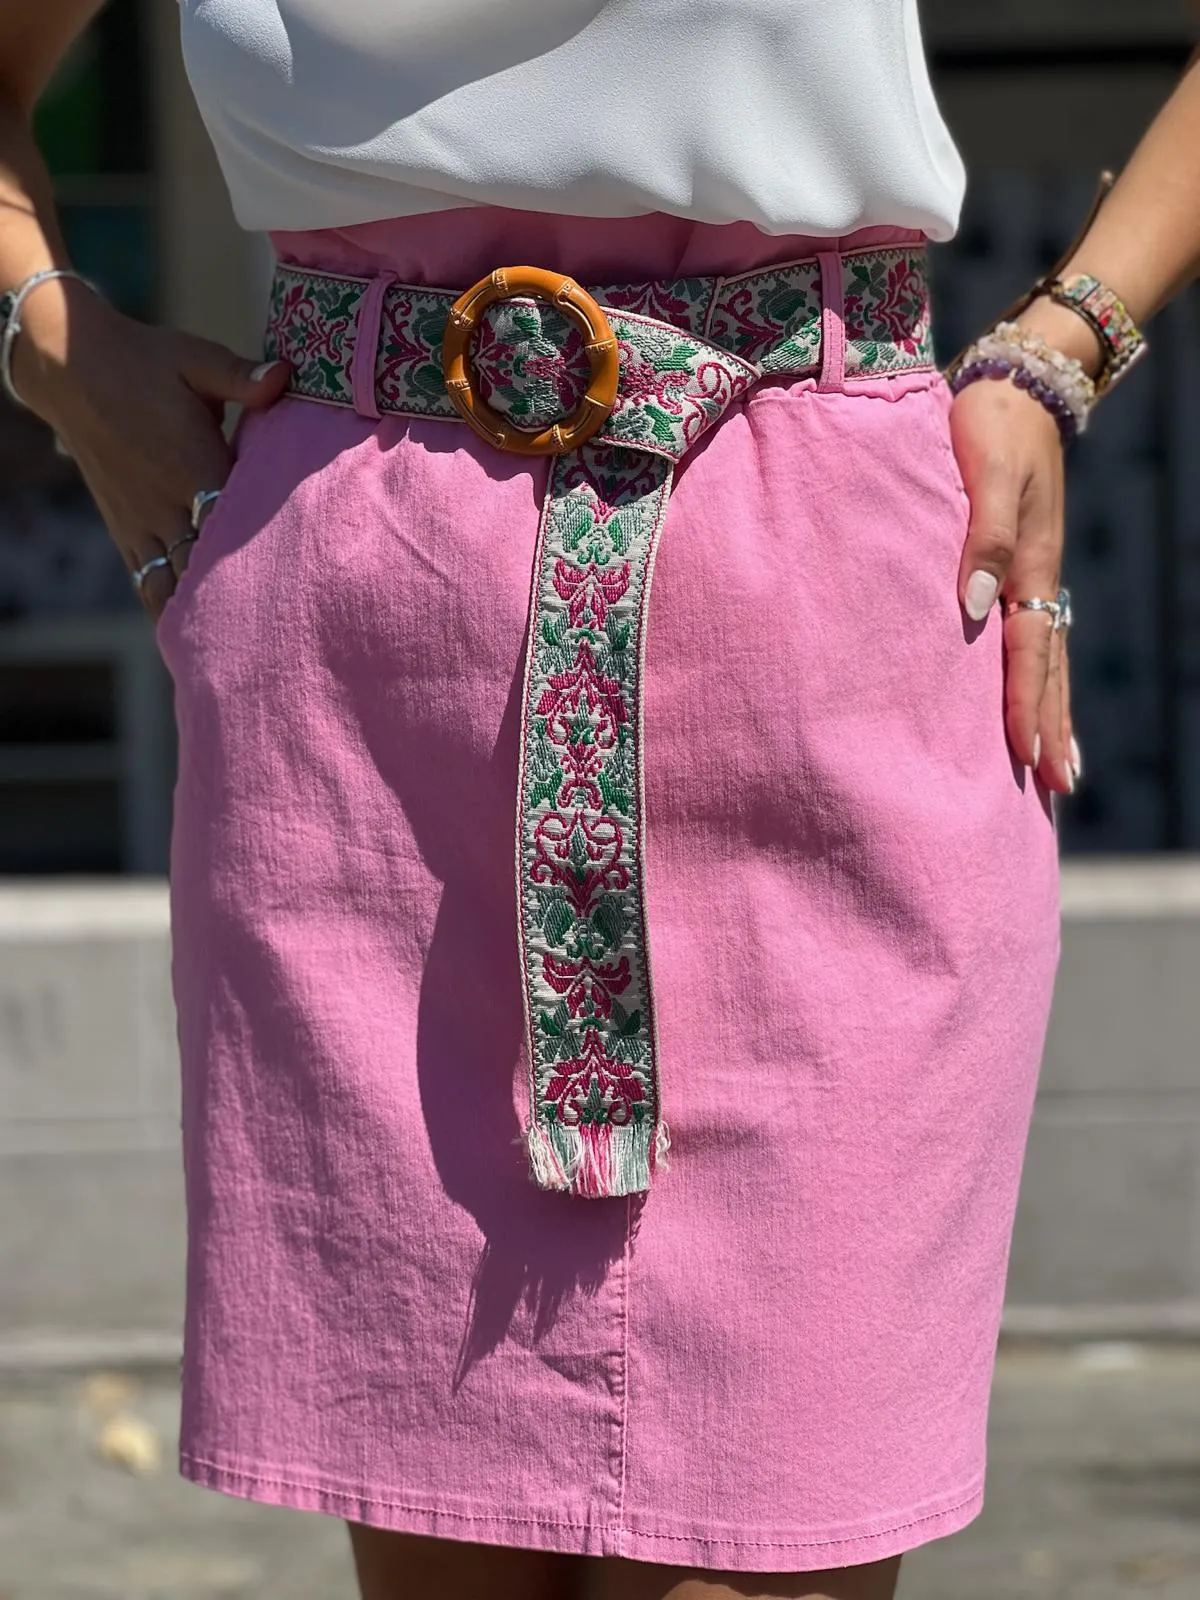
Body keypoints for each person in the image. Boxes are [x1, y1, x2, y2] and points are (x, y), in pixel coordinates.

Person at [2, 5, 1197, 1598]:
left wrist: (1070, 339)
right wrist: (57, 344)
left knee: (770, 1537)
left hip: (810, 639)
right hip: (375, 703)